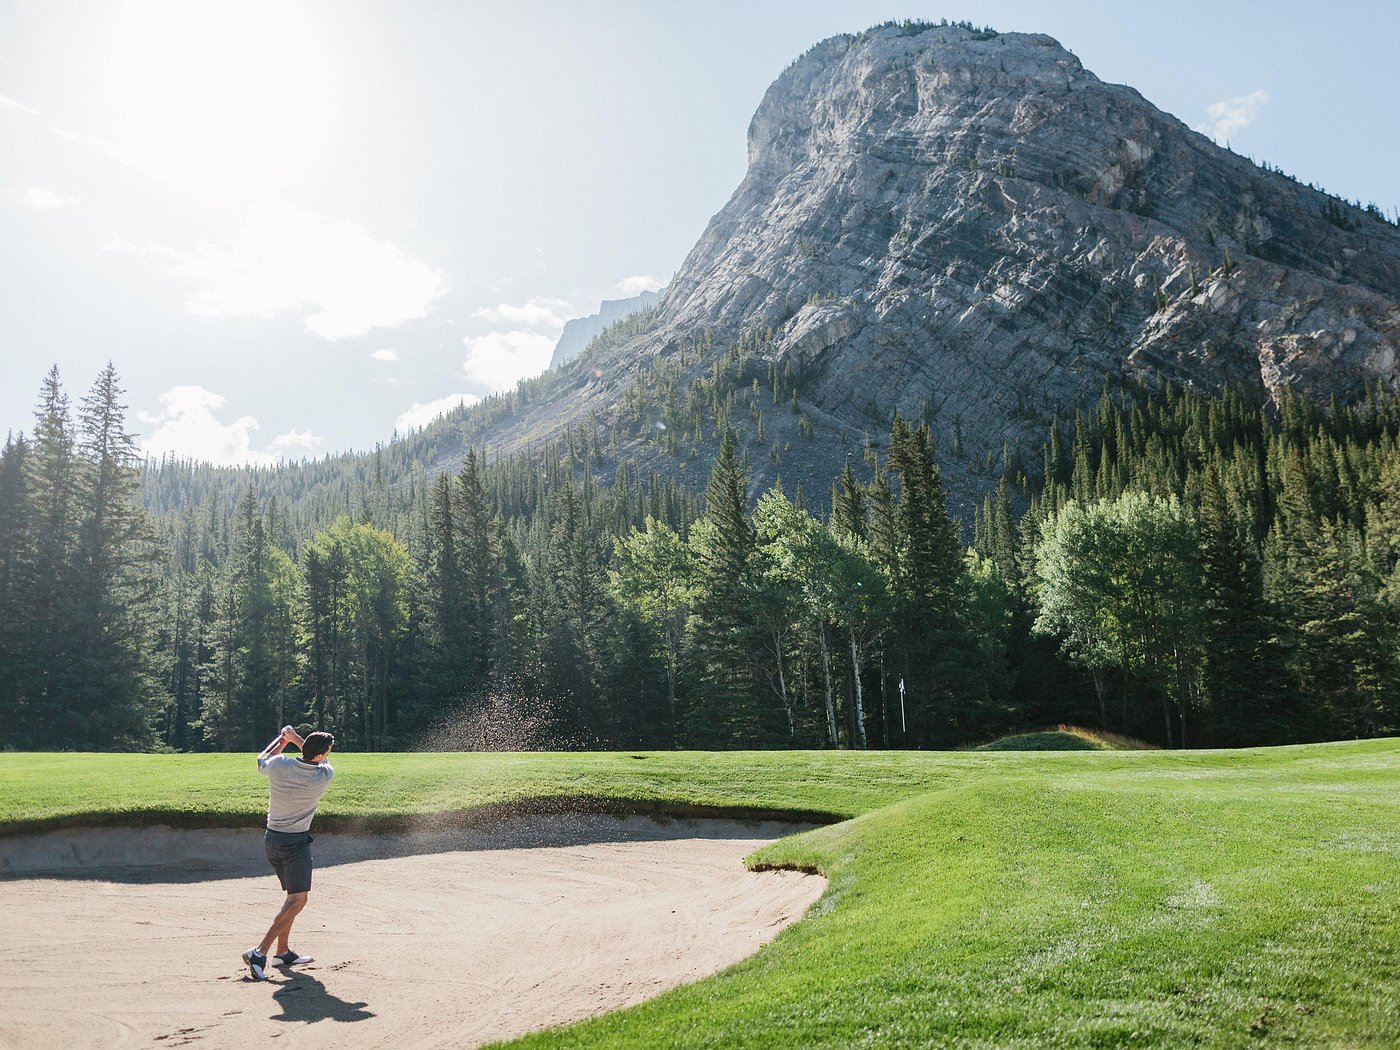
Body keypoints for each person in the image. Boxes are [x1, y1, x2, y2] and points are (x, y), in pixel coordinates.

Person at [242, 725, 335, 981]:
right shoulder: (323, 775)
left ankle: (282, 952)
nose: (329, 754)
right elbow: (317, 758)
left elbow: (262, 761)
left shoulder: (279, 765)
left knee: (292, 898)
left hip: (272, 840)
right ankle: (259, 953)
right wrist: (296, 739)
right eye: (328, 751)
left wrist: (283, 741)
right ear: (321, 755)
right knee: (298, 900)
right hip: (295, 844)